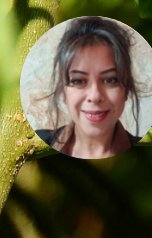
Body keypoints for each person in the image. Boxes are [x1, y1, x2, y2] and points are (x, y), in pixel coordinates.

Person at [35, 17, 145, 159]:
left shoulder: (145, 149)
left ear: (127, 87)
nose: (94, 96)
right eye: (78, 81)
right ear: (62, 90)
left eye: (110, 80)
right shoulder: (36, 145)